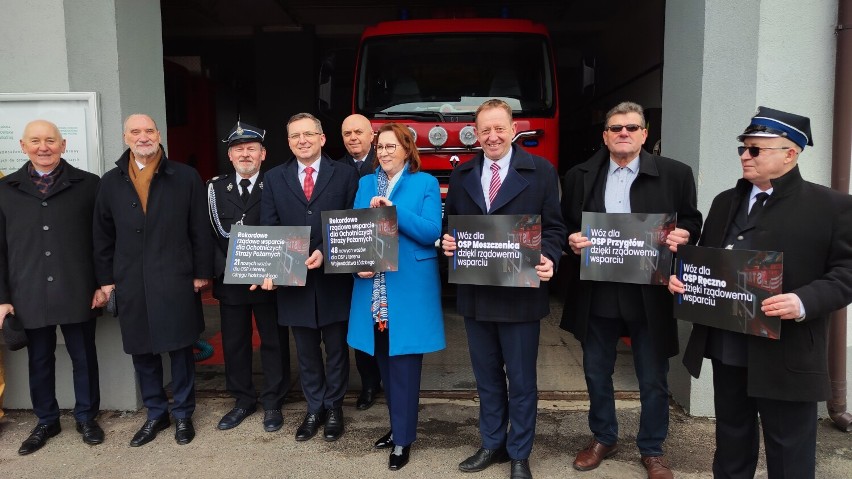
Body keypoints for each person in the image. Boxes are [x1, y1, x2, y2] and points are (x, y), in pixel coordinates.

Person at [672, 107, 852, 479]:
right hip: (728, 345)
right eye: (743, 149)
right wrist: (685, 278)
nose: (745, 156)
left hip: (787, 349)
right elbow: (711, 262)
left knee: (789, 452)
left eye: (755, 150)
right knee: (732, 442)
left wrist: (803, 301)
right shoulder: (725, 201)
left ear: (791, 153)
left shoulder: (831, 206)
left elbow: (846, 273)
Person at [561, 101, 702, 479]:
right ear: (605, 136)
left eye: (632, 127)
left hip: (649, 291)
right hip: (598, 289)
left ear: (645, 134)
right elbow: (565, 225)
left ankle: (652, 449)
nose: (624, 133)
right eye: (616, 127)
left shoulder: (676, 174)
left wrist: (685, 235)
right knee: (595, 370)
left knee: (652, 376)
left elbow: (691, 219)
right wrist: (571, 241)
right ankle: (603, 436)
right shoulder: (580, 175)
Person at [441, 99, 566, 479]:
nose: (492, 136)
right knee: (487, 377)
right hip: (477, 295)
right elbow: (452, 228)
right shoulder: (463, 175)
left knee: (522, 380)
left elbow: (556, 229)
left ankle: (519, 453)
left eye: (499, 128)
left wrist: (549, 257)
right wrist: (448, 243)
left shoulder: (541, 171)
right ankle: (492, 443)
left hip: (520, 295)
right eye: (485, 130)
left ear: (513, 130)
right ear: (475, 135)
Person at [93, 114, 213, 447]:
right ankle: (156, 413)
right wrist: (105, 280)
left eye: (149, 131)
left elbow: (199, 229)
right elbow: (101, 235)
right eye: (135, 131)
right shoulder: (110, 181)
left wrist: (202, 272)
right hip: (129, 279)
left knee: (180, 349)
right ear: (125, 137)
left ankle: (184, 415)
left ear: (159, 135)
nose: (143, 137)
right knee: (142, 351)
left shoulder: (185, 177)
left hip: (176, 276)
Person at [0, 120, 105, 455]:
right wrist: (2, 298)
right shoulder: (5, 190)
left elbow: (101, 240)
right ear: (22, 145)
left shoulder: (89, 185)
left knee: (83, 356)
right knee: (40, 359)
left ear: (63, 144)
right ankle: (46, 419)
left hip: (78, 288)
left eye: (50, 140)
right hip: (27, 291)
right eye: (35, 141)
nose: (43, 147)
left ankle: (87, 416)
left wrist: (102, 284)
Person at [348, 123, 445, 471]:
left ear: (407, 149)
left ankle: (403, 440)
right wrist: (357, 262)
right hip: (373, 287)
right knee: (384, 362)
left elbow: (431, 231)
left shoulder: (426, 183)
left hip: (408, 287)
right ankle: (397, 428)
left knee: (404, 363)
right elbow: (356, 229)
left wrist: (393, 211)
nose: (384, 152)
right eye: (380, 147)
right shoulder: (364, 183)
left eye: (391, 146)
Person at [258, 112, 359, 442]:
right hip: (293, 280)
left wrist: (325, 252)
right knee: (306, 351)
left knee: (336, 350)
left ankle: (334, 408)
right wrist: (278, 264)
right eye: (295, 136)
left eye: (308, 134)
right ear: (288, 142)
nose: (302, 140)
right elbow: (270, 225)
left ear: (322, 138)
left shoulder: (344, 175)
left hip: (333, 279)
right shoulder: (274, 178)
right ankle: (314, 407)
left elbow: (352, 224)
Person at [207, 121, 291, 432]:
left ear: (263, 154)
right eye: (238, 149)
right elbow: (207, 235)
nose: (245, 154)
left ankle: (273, 401)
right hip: (231, 281)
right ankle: (242, 400)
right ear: (230, 155)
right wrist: (221, 268)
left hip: (268, 279)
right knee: (235, 342)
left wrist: (279, 269)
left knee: (273, 341)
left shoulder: (278, 184)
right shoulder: (214, 189)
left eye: (251, 149)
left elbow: (285, 228)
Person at [338, 113, 383, 411]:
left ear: (372, 135)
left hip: (383, 255)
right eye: (347, 133)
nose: (353, 137)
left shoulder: (384, 164)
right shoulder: (335, 168)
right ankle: (368, 385)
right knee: (359, 327)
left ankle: (388, 380)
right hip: (349, 258)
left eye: (358, 132)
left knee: (384, 324)